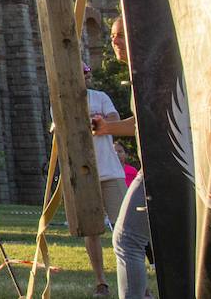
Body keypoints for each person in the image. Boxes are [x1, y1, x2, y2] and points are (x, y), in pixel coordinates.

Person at [92, 16, 149, 299]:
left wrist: (108, 127)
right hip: (159, 167)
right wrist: (108, 127)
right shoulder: (143, 70)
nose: (115, 41)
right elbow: (140, 121)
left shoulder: (149, 71)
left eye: (122, 35)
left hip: (161, 169)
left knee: (126, 240)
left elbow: (148, 123)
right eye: (114, 35)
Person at [82, 63, 127, 297]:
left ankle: (135, 281)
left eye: (89, 69)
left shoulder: (100, 96)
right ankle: (101, 282)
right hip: (83, 175)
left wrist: (100, 124)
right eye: (83, 70)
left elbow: (112, 121)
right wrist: (93, 123)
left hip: (111, 172)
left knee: (124, 229)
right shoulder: (60, 100)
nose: (88, 73)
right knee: (92, 231)